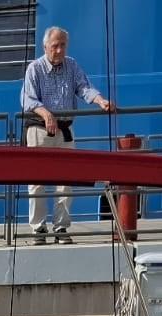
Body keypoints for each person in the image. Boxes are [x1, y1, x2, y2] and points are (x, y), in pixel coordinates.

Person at [20, 26, 113, 245]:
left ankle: (61, 227)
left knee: (65, 181)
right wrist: (46, 114)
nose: (60, 50)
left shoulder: (71, 65)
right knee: (37, 181)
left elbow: (84, 87)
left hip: (64, 130)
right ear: (45, 47)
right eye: (55, 46)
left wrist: (100, 101)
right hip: (39, 130)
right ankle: (38, 228)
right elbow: (27, 99)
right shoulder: (35, 68)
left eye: (63, 45)